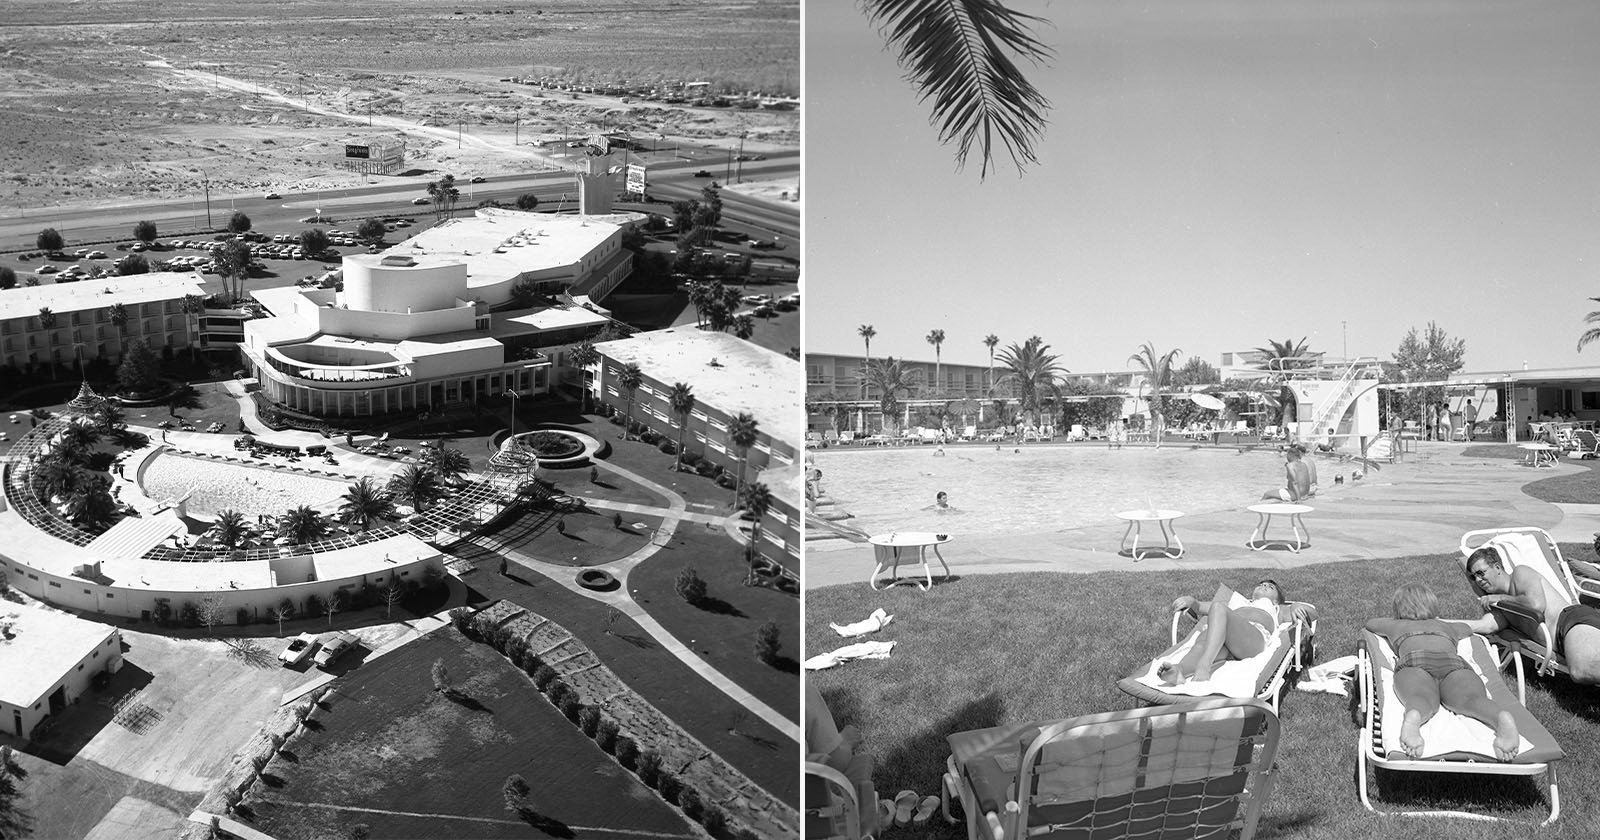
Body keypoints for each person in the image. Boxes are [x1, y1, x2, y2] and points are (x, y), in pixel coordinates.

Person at [1364, 583, 1519, 760]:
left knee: (1421, 698)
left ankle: (1414, 715)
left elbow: (1370, 624)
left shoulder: (1396, 625)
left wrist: (1396, 620)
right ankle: (1500, 717)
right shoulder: (1448, 627)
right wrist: (1441, 621)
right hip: (1453, 663)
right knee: (1471, 700)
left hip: (1415, 661)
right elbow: (1467, 629)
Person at [1462, 547, 1600, 684]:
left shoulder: (1520, 573)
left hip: (1571, 622)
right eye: (1474, 577)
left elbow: (1536, 605)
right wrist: (1444, 624)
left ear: (1497, 567)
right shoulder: (1499, 606)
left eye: (1481, 573)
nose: (1478, 580)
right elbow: (1486, 626)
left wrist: (1499, 597)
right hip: (1563, 641)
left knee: (1582, 670)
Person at [1158, 581, 1314, 684]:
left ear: (1276, 600)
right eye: (1262, 584)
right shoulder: (1237, 602)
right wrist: (1190, 600)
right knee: (1205, 638)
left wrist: (1295, 607)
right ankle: (1180, 670)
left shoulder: (1278, 609)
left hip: (1252, 639)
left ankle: (1203, 667)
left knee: (1218, 608)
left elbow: (1313, 614)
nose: (1264, 585)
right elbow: (1199, 607)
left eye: (1270, 587)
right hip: (1226, 640)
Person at [805, 681, 879, 837]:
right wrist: (845, 740)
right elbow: (835, 763)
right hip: (823, 822)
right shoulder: (801, 690)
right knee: (860, 766)